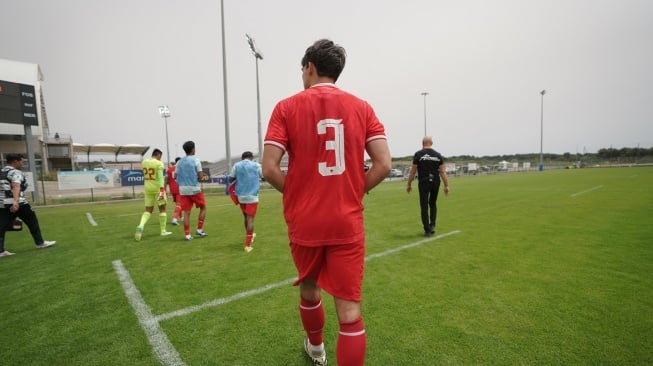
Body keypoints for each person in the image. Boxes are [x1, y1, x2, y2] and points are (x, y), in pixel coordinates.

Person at [262, 39, 391, 366]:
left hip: (305, 220)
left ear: (309, 67)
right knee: (349, 311)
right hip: (346, 219)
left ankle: (317, 350)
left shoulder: (286, 107)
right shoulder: (362, 107)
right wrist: (353, 191)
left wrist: (297, 194)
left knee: (309, 289)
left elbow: (269, 168)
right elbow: (384, 164)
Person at [1, 153, 56, 257]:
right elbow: (16, 185)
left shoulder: (1, 171)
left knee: (1, 226)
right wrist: (16, 202)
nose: (22, 163)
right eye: (22, 161)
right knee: (32, 221)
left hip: (3, 204)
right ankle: (40, 243)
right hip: (19, 203)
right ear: (15, 161)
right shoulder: (15, 172)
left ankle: (0, 251)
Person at [406, 136, 450, 236]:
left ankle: (427, 230)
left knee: (424, 205)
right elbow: (442, 172)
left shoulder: (418, 154)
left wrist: (409, 184)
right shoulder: (438, 155)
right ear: (431, 143)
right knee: (433, 203)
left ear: (422, 143)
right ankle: (432, 225)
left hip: (423, 181)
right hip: (436, 181)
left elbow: (413, 172)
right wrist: (446, 185)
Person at [229, 151, 263, 253]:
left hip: (241, 196)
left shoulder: (237, 165)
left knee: (245, 217)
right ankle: (248, 245)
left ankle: (250, 235)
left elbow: (231, 179)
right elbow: (263, 176)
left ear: (242, 157)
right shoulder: (256, 165)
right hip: (252, 196)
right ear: (251, 157)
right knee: (251, 219)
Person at [134, 148, 172, 241]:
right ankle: (163, 231)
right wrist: (163, 189)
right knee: (162, 209)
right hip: (157, 188)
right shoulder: (159, 163)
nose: (160, 158)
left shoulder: (144, 162)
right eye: (160, 156)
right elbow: (160, 177)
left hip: (147, 188)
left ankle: (141, 225)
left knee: (148, 210)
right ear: (158, 155)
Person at [175, 141, 209, 241]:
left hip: (183, 190)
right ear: (193, 149)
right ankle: (199, 229)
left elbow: (175, 176)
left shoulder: (179, 162)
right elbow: (200, 175)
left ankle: (187, 235)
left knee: (186, 212)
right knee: (203, 207)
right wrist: (199, 176)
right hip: (194, 188)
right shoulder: (196, 160)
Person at [166, 157, 183, 226]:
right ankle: (174, 219)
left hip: (172, 189)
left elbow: (166, 180)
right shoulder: (181, 168)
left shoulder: (169, 169)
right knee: (179, 204)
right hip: (179, 188)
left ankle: (181, 217)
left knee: (178, 204)